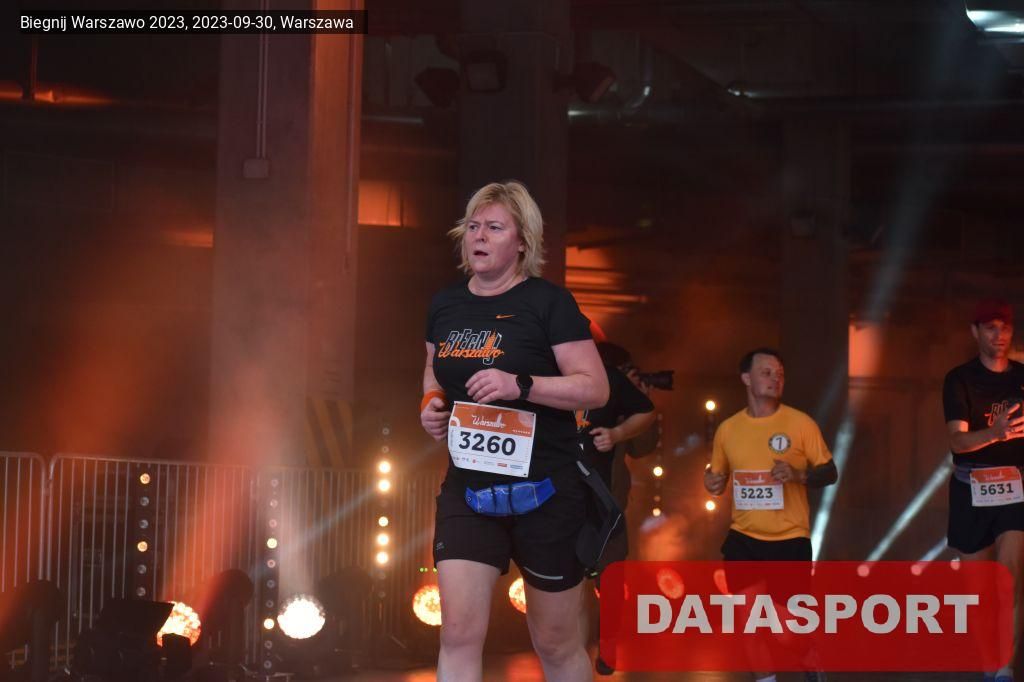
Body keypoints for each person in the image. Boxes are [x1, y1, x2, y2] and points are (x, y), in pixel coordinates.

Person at [420, 180, 609, 682]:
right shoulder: (445, 305)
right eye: (473, 226)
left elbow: (595, 389)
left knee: (555, 641)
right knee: (458, 633)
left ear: (522, 241)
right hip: (469, 493)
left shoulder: (549, 303)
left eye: (494, 228)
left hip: (545, 494)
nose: (479, 236)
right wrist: (430, 404)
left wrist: (520, 384)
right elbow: (434, 372)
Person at [704, 348, 837, 682]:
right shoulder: (728, 429)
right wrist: (712, 482)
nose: (775, 378)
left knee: (785, 631)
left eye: (780, 374)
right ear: (746, 378)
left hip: (789, 540)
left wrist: (798, 475)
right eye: (766, 372)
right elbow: (716, 477)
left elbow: (829, 472)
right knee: (749, 625)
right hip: (743, 539)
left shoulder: (800, 423)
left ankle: (807, 653)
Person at [943, 299, 1024, 682]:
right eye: (990, 327)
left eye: (1004, 327)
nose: (999, 334)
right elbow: (957, 443)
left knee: (1010, 579)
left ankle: (1005, 668)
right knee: (977, 593)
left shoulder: (1022, 377)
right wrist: (995, 432)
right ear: (975, 332)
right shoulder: (959, 380)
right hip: (971, 487)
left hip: (1015, 487)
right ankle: (989, 665)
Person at [578, 341, 658, 675]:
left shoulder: (622, 407)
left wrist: (638, 405)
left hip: (610, 508)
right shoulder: (584, 394)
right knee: (572, 584)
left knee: (611, 583)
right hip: (573, 505)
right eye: (623, 371)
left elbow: (642, 448)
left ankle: (608, 650)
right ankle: (576, 650)